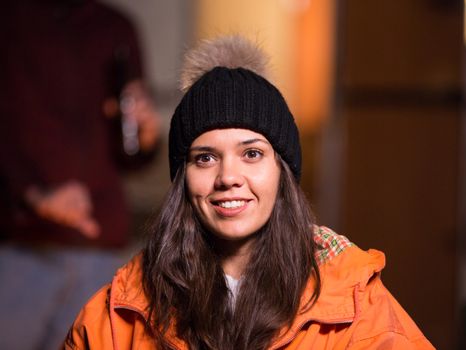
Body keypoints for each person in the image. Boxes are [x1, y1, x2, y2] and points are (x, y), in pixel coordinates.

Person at [64, 35, 434, 350]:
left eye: (252, 154)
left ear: (282, 171)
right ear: (183, 179)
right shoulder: (121, 311)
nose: (228, 177)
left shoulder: (354, 300)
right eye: (205, 158)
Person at [0, 1, 160, 349]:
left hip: (98, 245)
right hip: (18, 245)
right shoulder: (10, 20)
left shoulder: (116, 26)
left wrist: (146, 138)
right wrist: (31, 195)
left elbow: (130, 151)